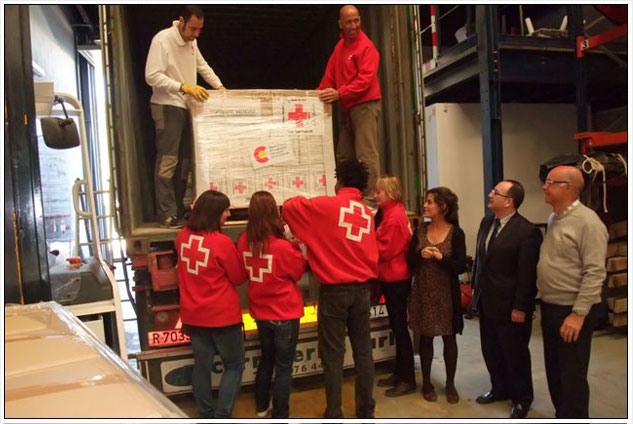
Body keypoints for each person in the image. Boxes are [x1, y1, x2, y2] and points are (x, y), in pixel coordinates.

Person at [282, 159, 378, 419]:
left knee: (333, 356)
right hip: (362, 291)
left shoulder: (326, 205)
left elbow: (290, 207)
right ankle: (366, 411)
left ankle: (334, 412)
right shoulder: (365, 214)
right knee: (363, 353)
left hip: (335, 291)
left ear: (340, 181)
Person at [145, 5, 226, 228]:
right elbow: (152, 76)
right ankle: (166, 213)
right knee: (168, 162)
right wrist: (183, 86)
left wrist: (220, 87)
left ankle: (180, 209)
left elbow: (202, 65)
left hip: (186, 106)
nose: (196, 34)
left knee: (185, 162)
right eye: (193, 28)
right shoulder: (162, 40)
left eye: (200, 29)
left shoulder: (192, 42)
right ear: (181, 21)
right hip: (167, 105)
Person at [537, 165, 607, 419]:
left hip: (572, 310)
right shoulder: (555, 217)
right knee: (555, 371)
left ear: (567, 188)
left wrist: (578, 315)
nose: (544, 186)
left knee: (572, 376)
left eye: (550, 182)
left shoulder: (588, 223)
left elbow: (595, 272)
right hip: (551, 306)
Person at [471, 180, 542, 418]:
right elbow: (483, 263)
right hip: (487, 301)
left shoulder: (527, 231)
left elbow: (527, 274)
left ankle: (522, 398)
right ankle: (499, 388)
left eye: (496, 192)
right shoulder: (487, 222)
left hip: (511, 305)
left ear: (509, 201)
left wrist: (521, 306)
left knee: (515, 353)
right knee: (491, 350)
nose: (490, 194)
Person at [175, 190, 246, 418]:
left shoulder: (182, 237)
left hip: (194, 315)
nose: (228, 214)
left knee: (201, 366)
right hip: (222, 316)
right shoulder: (222, 243)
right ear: (214, 214)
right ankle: (222, 417)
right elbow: (238, 277)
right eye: (225, 210)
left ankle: (205, 414)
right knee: (234, 365)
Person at [236, 191, 306, 419]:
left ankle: (260, 406)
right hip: (285, 313)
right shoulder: (282, 246)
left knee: (266, 358)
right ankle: (281, 415)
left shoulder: (243, 241)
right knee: (284, 367)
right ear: (274, 213)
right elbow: (296, 273)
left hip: (261, 313)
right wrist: (297, 248)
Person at [317, 5, 382, 201]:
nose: (353, 25)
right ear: (341, 24)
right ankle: (347, 195)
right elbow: (329, 77)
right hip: (348, 107)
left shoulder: (366, 47)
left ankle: (370, 198)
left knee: (366, 153)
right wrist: (311, 97)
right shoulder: (340, 48)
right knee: (344, 155)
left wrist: (339, 93)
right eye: (348, 22)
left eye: (356, 21)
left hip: (365, 105)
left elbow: (365, 81)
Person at [408, 187, 466, 404]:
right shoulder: (420, 230)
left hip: (446, 294)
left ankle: (450, 384)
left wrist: (441, 257)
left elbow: (460, 266)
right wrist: (420, 255)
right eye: (426, 201)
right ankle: (427, 383)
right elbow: (409, 261)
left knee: (449, 337)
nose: (425, 205)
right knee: (425, 336)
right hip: (423, 291)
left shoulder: (456, 233)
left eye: (430, 202)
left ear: (443, 207)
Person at [373, 176, 416, 397]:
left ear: (390, 192)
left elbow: (385, 250)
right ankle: (400, 373)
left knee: (400, 329)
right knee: (397, 328)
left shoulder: (394, 217)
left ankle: (407, 378)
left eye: (379, 191)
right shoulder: (392, 213)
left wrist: (365, 245)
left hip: (396, 279)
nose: (375, 195)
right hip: (392, 277)